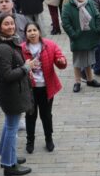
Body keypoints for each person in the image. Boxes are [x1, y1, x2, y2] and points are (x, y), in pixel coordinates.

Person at [0, 14, 34, 176]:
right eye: (6, 24)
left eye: (12, 23)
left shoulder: (5, 43)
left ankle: (7, 155)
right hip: (12, 92)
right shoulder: (4, 48)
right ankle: (9, 164)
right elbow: (6, 75)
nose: (11, 26)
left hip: (12, 91)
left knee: (9, 125)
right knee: (12, 127)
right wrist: (26, 68)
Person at [21, 22, 67, 153]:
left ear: (39, 31)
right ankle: (30, 141)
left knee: (46, 115)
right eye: (29, 31)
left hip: (47, 87)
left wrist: (61, 61)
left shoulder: (49, 45)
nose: (32, 33)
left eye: (34, 30)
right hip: (30, 89)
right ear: (25, 34)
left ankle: (49, 139)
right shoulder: (22, 48)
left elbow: (59, 58)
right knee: (30, 115)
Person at [62, 0, 100, 93]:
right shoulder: (68, 5)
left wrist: (97, 29)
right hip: (78, 37)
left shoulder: (89, 2)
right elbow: (65, 23)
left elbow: (97, 15)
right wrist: (74, 34)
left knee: (89, 59)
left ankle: (90, 79)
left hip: (90, 36)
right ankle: (77, 82)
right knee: (78, 61)